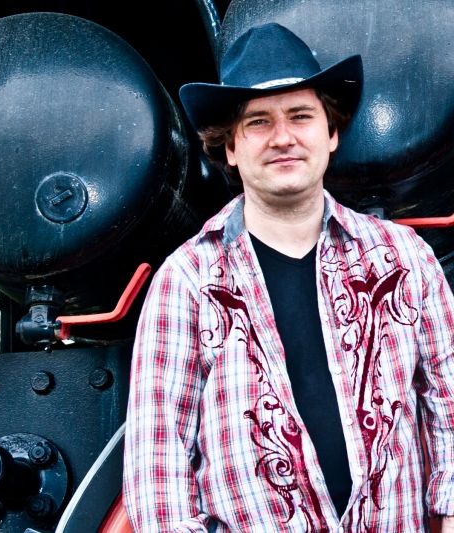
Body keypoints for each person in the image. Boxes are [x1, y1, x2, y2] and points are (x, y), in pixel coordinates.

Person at [123, 22, 454, 532]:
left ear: (331, 132)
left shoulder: (404, 258)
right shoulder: (186, 280)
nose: (283, 138)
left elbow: (449, 403)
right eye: (258, 122)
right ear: (230, 147)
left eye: (301, 116)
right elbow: (156, 463)